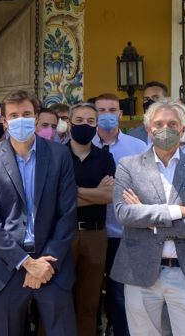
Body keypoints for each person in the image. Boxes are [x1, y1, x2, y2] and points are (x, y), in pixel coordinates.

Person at [111, 98, 185, 336]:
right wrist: (177, 211)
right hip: (139, 270)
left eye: (172, 124)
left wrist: (151, 221)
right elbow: (124, 213)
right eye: (158, 124)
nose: (165, 129)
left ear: (183, 129)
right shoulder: (128, 166)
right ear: (148, 129)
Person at [0, 90, 77, 336]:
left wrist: (45, 263)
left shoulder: (59, 155)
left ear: (36, 117)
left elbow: (67, 214)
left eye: (27, 114)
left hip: (52, 265)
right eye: (14, 115)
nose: (20, 120)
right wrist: (27, 263)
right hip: (8, 268)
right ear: (5, 121)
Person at [91, 91, 148, 336]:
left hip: (123, 233)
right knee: (90, 290)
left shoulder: (137, 147)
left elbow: (146, 186)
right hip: (91, 231)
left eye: (112, 110)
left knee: (120, 293)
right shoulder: (82, 144)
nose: (107, 115)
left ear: (120, 114)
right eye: (101, 111)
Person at [65, 102, 115, 336]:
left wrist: (73, 192)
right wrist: (95, 193)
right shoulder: (56, 155)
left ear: (96, 126)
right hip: (62, 234)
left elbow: (109, 196)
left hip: (95, 234)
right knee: (57, 297)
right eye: (79, 120)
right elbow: (54, 199)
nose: (85, 125)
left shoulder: (105, 158)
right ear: (69, 123)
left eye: (90, 121)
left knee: (90, 301)